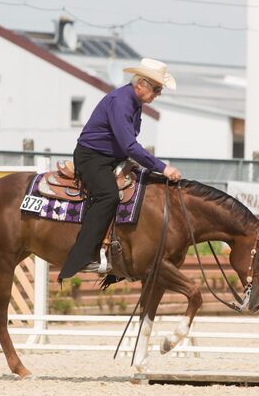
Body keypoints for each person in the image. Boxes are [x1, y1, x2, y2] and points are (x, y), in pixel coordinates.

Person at [58, 58, 182, 281]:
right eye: (156, 89)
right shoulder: (122, 101)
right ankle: (85, 255)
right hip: (92, 158)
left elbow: (126, 144)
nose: (158, 94)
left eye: (160, 90)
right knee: (108, 196)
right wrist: (162, 168)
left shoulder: (134, 102)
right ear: (141, 85)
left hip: (110, 158)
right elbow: (129, 144)